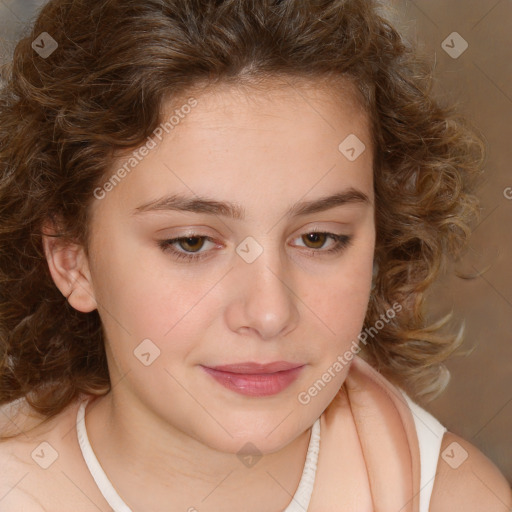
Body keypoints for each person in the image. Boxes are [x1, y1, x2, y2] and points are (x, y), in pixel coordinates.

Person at [0, 0, 510, 510]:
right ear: (72, 260)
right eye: (192, 242)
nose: (270, 314)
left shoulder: (451, 496)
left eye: (318, 238)